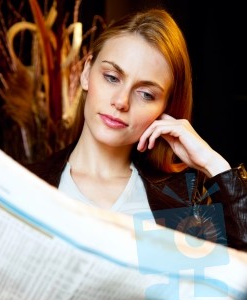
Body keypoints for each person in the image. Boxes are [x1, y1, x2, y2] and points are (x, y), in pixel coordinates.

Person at [26, 8, 247, 251]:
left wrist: (214, 165)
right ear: (87, 72)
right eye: (112, 77)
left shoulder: (183, 199)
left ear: (165, 108)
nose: (121, 102)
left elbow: (232, 282)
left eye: (146, 94)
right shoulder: (25, 182)